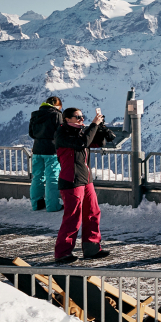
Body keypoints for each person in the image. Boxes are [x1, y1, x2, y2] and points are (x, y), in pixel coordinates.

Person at [53, 106, 115, 264]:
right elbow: (82, 142)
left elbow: (96, 142)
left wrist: (100, 129)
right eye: (77, 117)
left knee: (93, 212)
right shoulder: (62, 133)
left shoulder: (80, 131)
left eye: (82, 116)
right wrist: (93, 125)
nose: (81, 119)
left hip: (86, 180)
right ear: (67, 119)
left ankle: (92, 248)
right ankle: (62, 253)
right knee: (73, 218)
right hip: (71, 181)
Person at [27, 95, 63, 212]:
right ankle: (52, 206)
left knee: (37, 177)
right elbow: (60, 133)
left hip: (37, 149)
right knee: (52, 178)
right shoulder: (57, 115)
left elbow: (31, 133)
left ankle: (36, 204)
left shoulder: (35, 114)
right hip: (51, 150)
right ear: (58, 106)